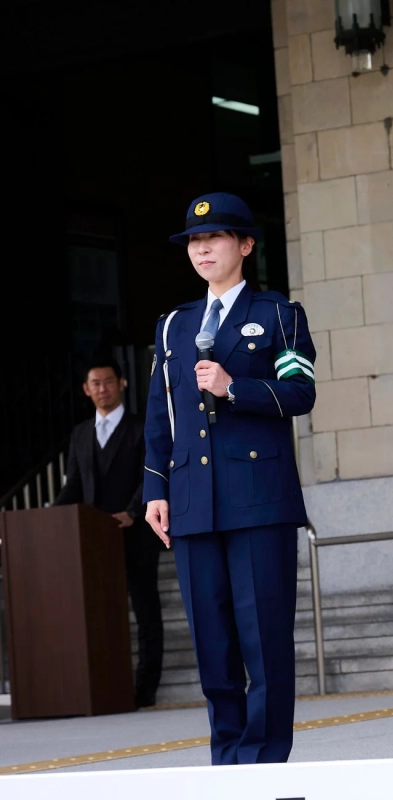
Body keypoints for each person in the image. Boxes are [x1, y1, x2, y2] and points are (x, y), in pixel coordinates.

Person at [143, 192, 316, 764]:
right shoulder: (174, 326)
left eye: (213, 238)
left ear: (245, 245)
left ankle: (261, 763)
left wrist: (232, 386)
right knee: (213, 645)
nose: (202, 249)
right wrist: (155, 491)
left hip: (259, 501)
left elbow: (299, 393)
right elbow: (159, 416)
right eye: (194, 241)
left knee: (263, 640)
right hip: (193, 501)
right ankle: (225, 764)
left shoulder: (279, 315)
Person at [55, 358, 164, 709]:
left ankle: (145, 688)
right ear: (86, 390)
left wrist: (133, 512)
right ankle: (106, 684)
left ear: (122, 383)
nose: (103, 389)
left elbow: (151, 474)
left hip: (135, 536)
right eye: (95, 384)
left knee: (145, 610)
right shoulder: (81, 433)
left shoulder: (141, 427)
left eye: (108, 382)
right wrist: (52, 518)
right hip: (92, 541)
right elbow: (74, 484)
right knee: (97, 612)